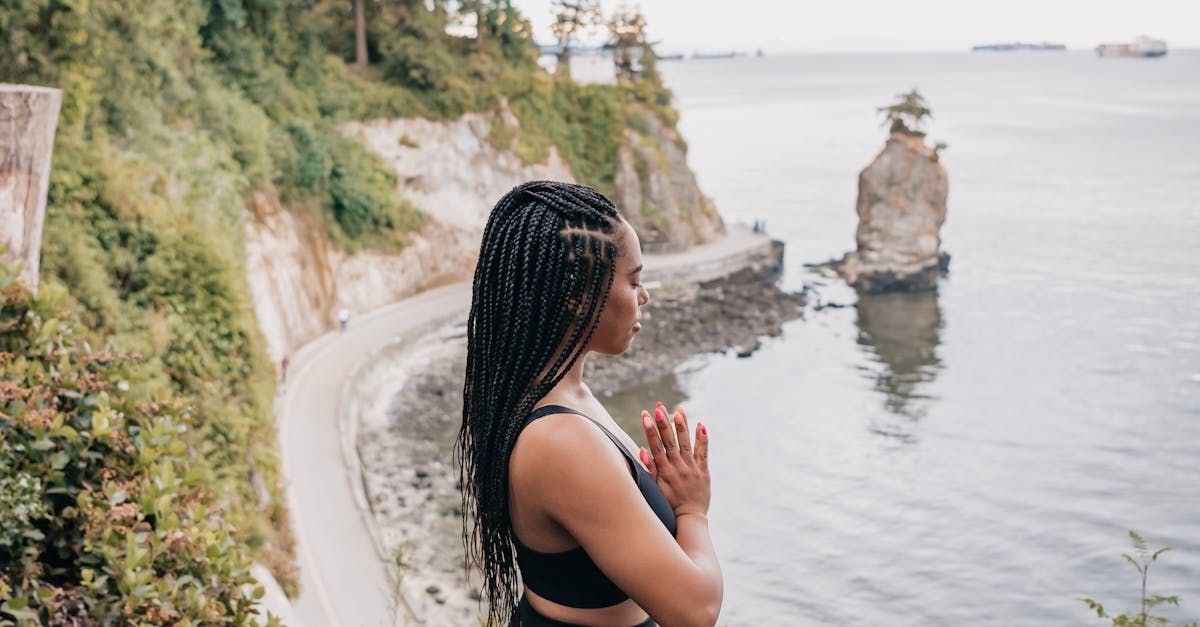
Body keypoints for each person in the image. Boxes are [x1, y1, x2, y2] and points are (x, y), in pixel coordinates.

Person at [454, 181, 723, 626]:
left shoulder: (560, 394)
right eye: (634, 280)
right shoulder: (559, 439)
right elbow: (697, 611)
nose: (645, 296)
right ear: (581, 296)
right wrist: (693, 510)